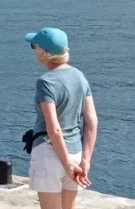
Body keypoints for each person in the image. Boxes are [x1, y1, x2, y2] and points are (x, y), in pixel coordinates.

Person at [26, 28, 98, 209]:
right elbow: (91, 122)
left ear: (43, 52)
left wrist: (65, 163)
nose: (34, 50)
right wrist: (85, 160)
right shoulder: (80, 76)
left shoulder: (46, 82)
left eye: (34, 46)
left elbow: (54, 129)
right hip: (75, 153)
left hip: (51, 152)